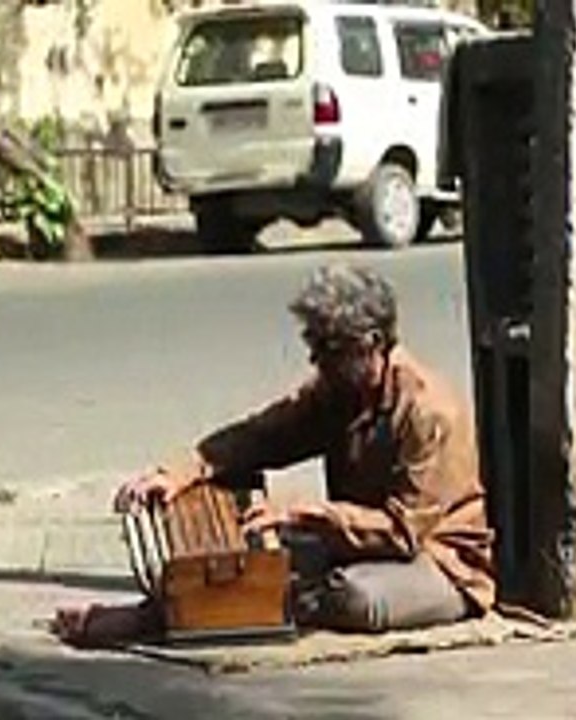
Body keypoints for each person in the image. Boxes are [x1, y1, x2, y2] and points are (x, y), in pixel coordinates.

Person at [56, 264, 496, 645]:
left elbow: (403, 534)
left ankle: (171, 618)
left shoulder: (426, 410)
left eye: (330, 350)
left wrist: (303, 513)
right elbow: (265, 435)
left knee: (351, 596)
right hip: (355, 546)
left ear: (372, 343)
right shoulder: (337, 390)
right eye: (315, 347)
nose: (317, 361)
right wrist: (184, 470)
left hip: (439, 562)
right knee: (249, 554)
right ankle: (178, 609)